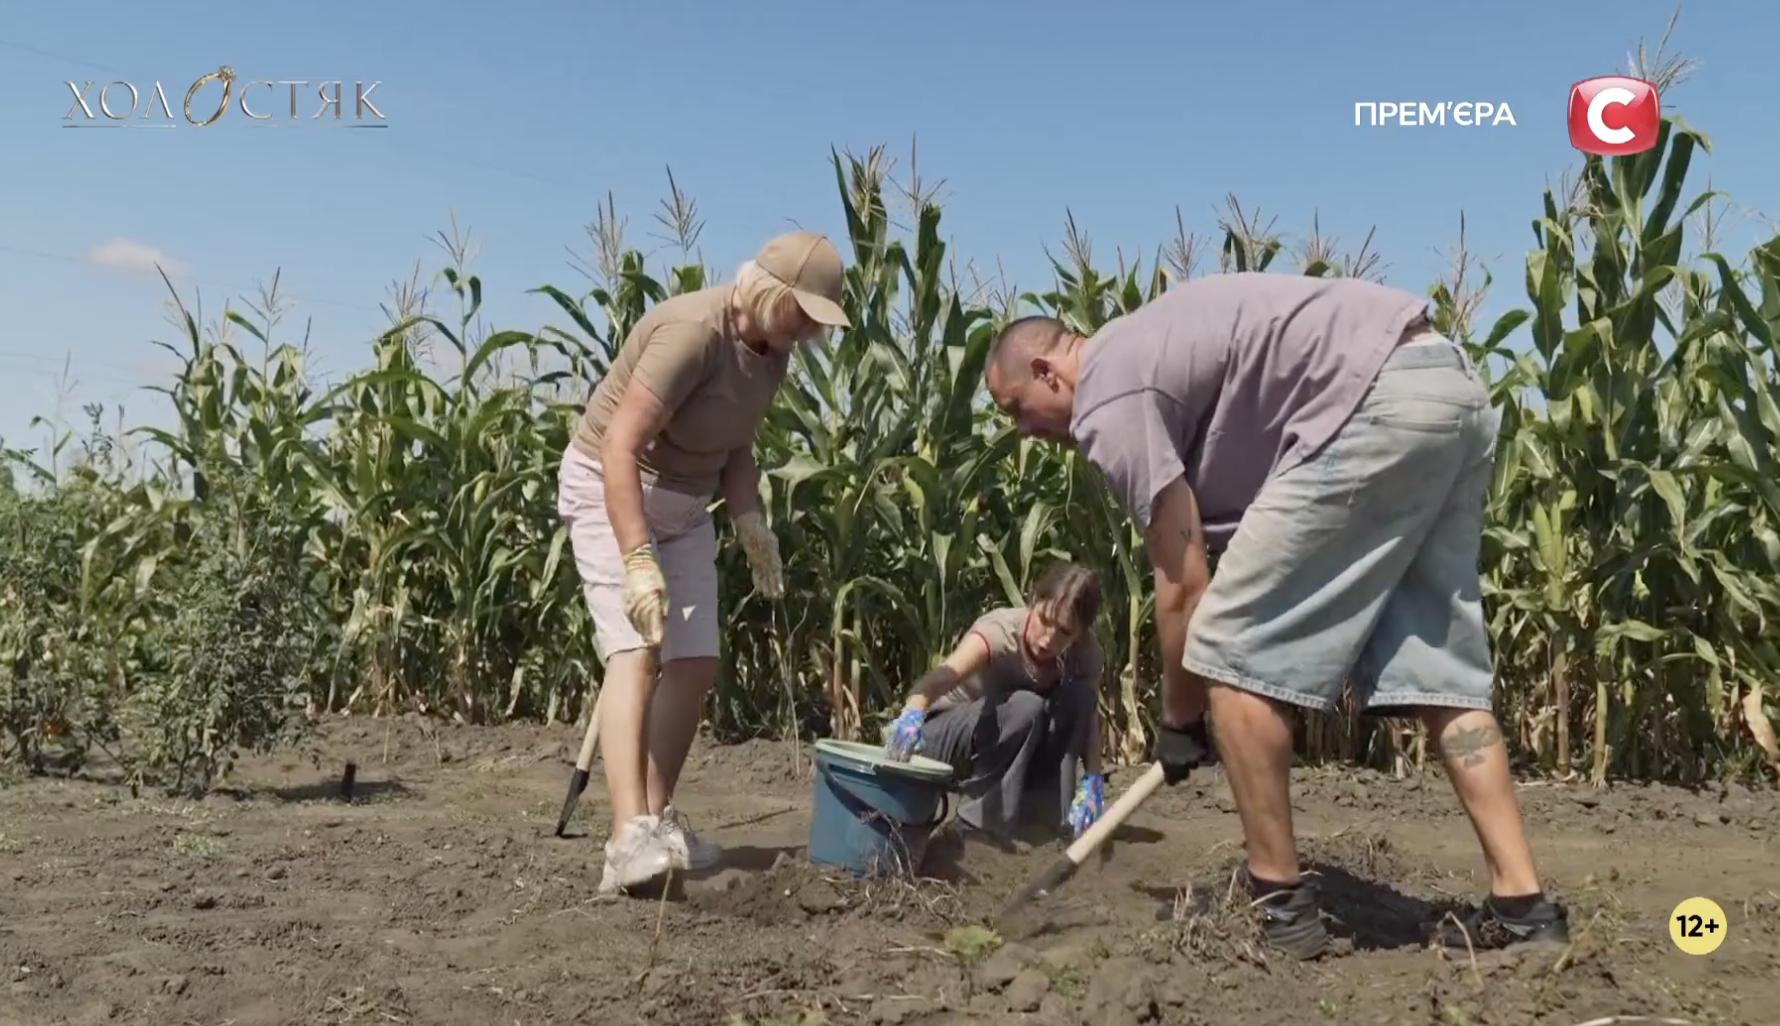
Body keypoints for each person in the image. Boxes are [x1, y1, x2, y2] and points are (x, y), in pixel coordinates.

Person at [982, 272, 1568, 959]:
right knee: (1441, 671)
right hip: (1447, 389)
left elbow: (1183, 583)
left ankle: (1281, 909)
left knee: (1226, 656)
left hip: (1370, 403)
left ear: (1048, 371)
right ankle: (1525, 908)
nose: (1023, 432)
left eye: (1017, 408)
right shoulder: (1148, 345)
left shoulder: (1109, 392)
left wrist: (1178, 719)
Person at [557, 230, 851, 894]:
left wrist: (750, 523)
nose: (809, 329)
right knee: (637, 649)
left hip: (688, 505)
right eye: (802, 311)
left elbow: (736, 447)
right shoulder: (692, 332)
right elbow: (619, 448)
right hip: (614, 487)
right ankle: (626, 840)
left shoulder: (773, 354)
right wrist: (635, 558)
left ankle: (656, 820)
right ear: (770, 291)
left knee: (695, 658)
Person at [882, 561, 1108, 842]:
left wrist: (1093, 778)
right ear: (1034, 600)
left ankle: (1048, 823)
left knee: (1078, 698)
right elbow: (936, 680)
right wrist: (912, 714)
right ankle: (975, 827)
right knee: (1027, 706)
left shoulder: (1086, 655)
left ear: (1080, 633)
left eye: (1064, 631)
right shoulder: (999, 633)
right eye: (1044, 620)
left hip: (1009, 751)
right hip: (946, 743)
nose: (1048, 638)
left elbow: (1088, 715)